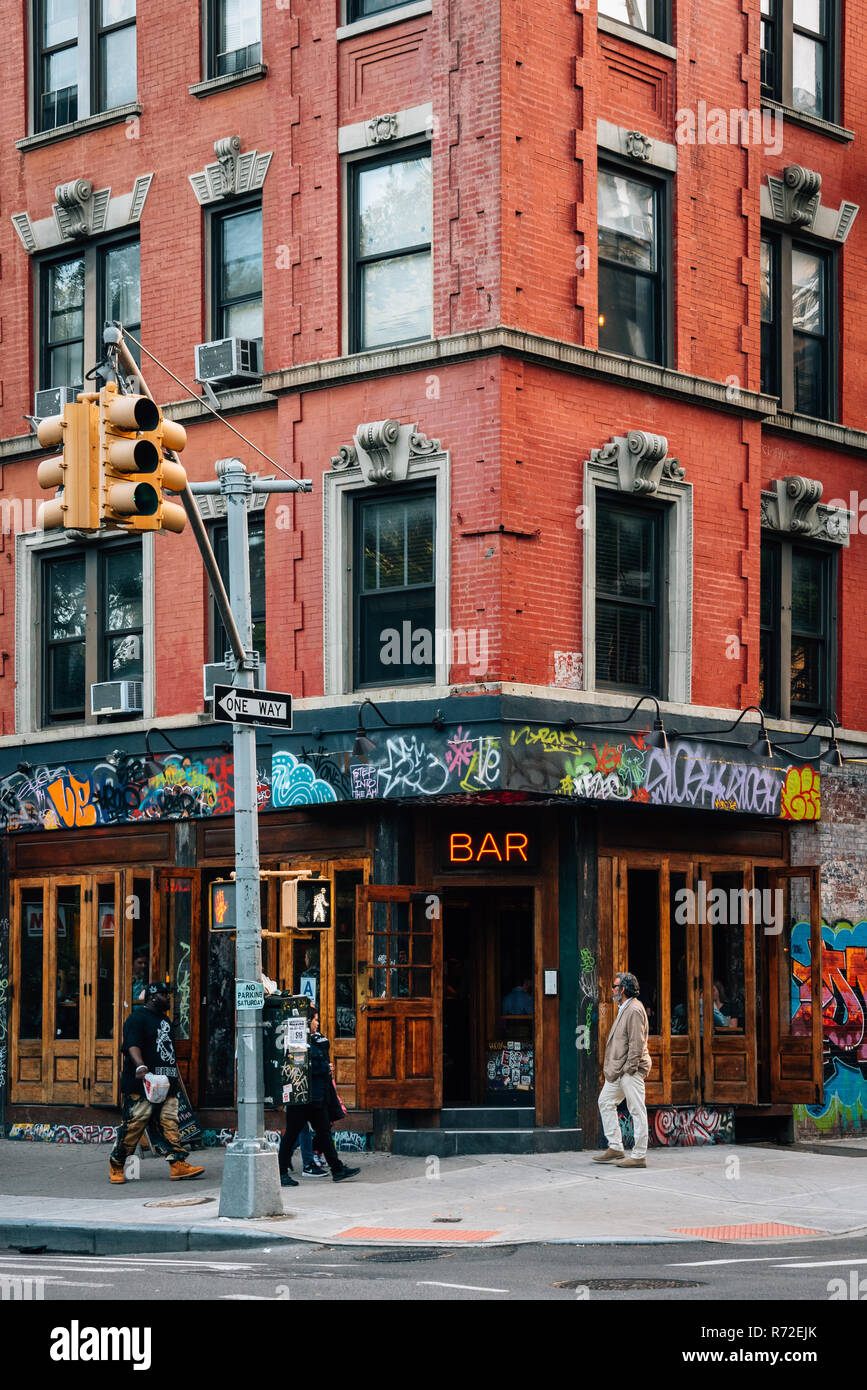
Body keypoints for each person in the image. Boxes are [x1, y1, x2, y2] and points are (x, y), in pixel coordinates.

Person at [109, 983, 204, 1185]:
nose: (168, 998)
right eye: (164, 994)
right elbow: (131, 1044)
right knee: (134, 1124)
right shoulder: (137, 1018)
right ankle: (117, 1163)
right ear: (152, 997)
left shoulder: (164, 1019)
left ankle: (177, 1164)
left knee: (170, 1123)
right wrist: (140, 1066)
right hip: (144, 1083)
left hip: (166, 1082)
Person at [278, 1009, 359, 1187]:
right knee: (292, 1134)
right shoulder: (298, 1042)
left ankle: (337, 1169)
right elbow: (303, 1066)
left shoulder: (314, 1040)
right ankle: (281, 1172)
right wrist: (325, 1068)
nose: (318, 1024)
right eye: (315, 1020)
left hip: (316, 1097)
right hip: (302, 1097)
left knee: (324, 1133)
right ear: (307, 1022)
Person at [592, 971, 652, 1169]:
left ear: (623, 989)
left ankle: (639, 1155)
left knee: (636, 1109)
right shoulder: (624, 1007)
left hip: (630, 1070)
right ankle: (616, 1147)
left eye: (614, 986)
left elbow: (637, 1043)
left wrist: (629, 1069)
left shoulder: (634, 1009)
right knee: (605, 1101)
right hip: (621, 1070)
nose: (612, 990)